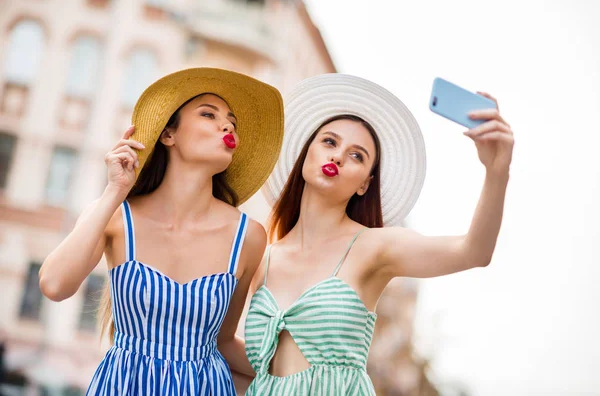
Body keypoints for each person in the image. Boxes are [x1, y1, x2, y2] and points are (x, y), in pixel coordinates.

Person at [244, 73, 513, 395]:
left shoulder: (374, 246)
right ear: (306, 153)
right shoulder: (264, 256)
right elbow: (243, 361)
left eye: (357, 155)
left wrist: (496, 170)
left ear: (364, 184)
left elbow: (473, 252)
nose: (339, 155)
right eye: (329, 141)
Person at [39, 68, 284, 395]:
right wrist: (115, 191)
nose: (227, 126)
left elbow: (224, 341)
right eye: (208, 115)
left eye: (232, 122)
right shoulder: (115, 215)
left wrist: (298, 376)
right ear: (169, 134)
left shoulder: (248, 236)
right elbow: (54, 285)